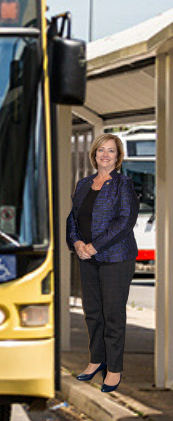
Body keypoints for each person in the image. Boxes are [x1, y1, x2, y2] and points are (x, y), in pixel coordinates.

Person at [66, 133, 139, 393]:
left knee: (113, 315)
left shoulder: (124, 184)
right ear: (94, 154)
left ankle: (114, 369)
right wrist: (77, 244)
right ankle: (96, 360)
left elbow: (124, 222)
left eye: (111, 151)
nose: (105, 155)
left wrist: (95, 247)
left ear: (118, 157)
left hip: (116, 259)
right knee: (93, 313)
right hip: (87, 258)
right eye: (100, 150)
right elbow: (72, 219)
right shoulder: (83, 184)